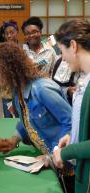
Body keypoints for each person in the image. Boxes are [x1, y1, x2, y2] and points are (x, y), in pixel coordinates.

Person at [0, 42, 73, 192]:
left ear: (10, 68)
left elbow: (72, 124)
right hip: (51, 162)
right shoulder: (18, 91)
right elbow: (27, 120)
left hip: (69, 168)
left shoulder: (43, 89)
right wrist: (15, 139)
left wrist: (52, 157)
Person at [53, 19, 90, 193]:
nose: (63, 58)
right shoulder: (85, 78)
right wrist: (73, 136)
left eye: (62, 51)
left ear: (73, 46)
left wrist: (66, 153)